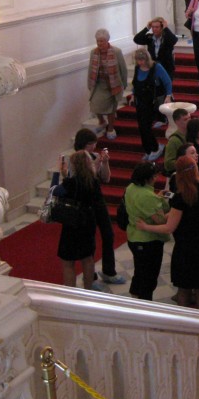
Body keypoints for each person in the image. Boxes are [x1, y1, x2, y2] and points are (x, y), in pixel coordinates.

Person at [137, 156, 199, 310]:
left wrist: (145, 227)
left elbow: (169, 228)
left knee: (184, 288)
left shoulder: (180, 197)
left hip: (187, 247)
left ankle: (185, 322)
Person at [71, 128, 125, 290]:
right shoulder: (76, 160)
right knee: (89, 241)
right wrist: (96, 163)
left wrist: (105, 163)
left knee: (108, 234)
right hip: (83, 203)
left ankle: (109, 271)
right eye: (89, 144)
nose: (93, 148)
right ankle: (90, 277)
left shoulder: (95, 157)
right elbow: (85, 179)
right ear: (82, 144)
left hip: (98, 201)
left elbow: (106, 178)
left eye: (94, 144)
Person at [54, 150, 101, 290]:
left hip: (73, 222)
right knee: (87, 258)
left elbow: (55, 190)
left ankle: (71, 293)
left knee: (68, 261)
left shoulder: (70, 183)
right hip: (88, 221)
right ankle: (88, 289)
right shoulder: (93, 181)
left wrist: (58, 173)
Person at [125, 161, 170, 301]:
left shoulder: (131, 188)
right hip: (148, 240)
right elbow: (161, 221)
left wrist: (157, 198)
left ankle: (135, 296)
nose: (156, 178)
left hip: (133, 236)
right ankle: (145, 305)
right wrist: (166, 205)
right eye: (154, 176)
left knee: (139, 272)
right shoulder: (147, 196)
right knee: (149, 277)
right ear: (147, 178)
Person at [130, 48, 172, 162]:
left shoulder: (156, 67)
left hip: (151, 102)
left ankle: (155, 148)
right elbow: (135, 84)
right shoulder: (137, 68)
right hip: (140, 101)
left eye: (142, 60)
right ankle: (148, 150)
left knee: (146, 127)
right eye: (138, 60)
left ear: (147, 59)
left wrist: (168, 96)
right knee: (141, 127)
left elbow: (167, 81)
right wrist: (133, 95)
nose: (140, 63)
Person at [87, 28, 127, 140]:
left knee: (111, 109)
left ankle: (110, 128)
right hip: (99, 83)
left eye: (102, 41)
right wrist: (89, 83)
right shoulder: (93, 52)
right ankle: (101, 121)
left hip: (113, 84)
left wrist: (123, 83)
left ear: (107, 41)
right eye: (98, 41)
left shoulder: (116, 52)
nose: (100, 43)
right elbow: (91, 68)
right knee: (94, 104)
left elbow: (123, 68)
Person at [133, 16, 178, 83]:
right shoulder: (150, 37)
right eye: (153, 27)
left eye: (157, 27)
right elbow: (136, 39)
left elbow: (174, 40)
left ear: (162, 27)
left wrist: (166, 28)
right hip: (152, 67)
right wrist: (147, 28)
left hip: (166, 67)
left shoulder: (167, 38)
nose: (154, 29)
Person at [163, 108, 191, 175]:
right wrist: (186, 161)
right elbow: (168, 164)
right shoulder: (173, 140)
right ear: (177, 122)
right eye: (185, 119)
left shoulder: (192, 134)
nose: (189, 121)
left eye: (189, 118)